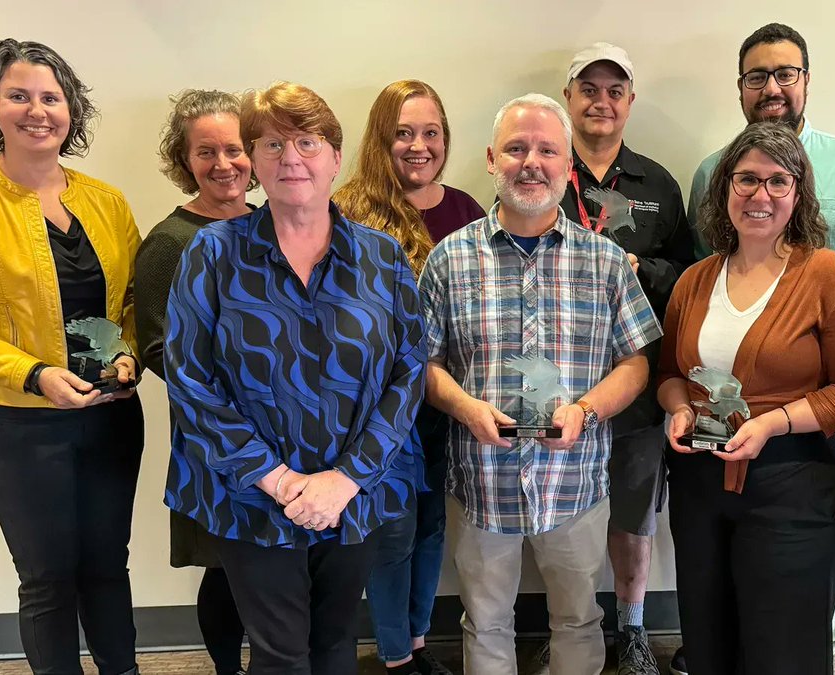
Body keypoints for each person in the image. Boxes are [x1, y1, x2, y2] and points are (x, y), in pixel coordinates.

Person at [163, 81, 427, 675]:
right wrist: (280, 482)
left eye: (306, 141)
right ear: (254, 161)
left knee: (336, 643)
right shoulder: (213, 254)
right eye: (272, 144)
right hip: (251, 494)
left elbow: (408, 371)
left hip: (352, 494)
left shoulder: (382, 259)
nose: (290, 157)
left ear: (335, 157)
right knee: (281, 652)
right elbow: (189, 379)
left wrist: (346, 479)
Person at [419, 93, 662, 675]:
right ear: (490, 159)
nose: (532, 162)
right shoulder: (449, 260)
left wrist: (587, 411)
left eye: (548, 150)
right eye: (516, 148)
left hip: (574, 481)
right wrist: (464, 407)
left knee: (579, 621)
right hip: (481, 481)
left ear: (567, 165)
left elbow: (636, 363)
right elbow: (424, 365)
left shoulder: (604, 261)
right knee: (484, 621)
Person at [0, 39, 143, 675]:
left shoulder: (106, 201)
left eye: (51, 97)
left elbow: (131, 301)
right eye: (18, 95)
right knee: (48, 578)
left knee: (108, 565)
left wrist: (128, 355)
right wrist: (33, 373)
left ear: (71, 109)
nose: (37, 110)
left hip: (109, 415)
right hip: (16, 424)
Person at [658, 121, 835, 675]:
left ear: (799, 193)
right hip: (701, 488)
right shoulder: (694, 280)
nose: (760, 195)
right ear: (724, 189)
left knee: (783, 652)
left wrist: (772, 423)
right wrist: (680, 409)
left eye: (778, 182)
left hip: (792, 488)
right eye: (747, 180)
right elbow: (668, 374)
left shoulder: (826, 274)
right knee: (709, 644)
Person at [539, 42, 694, 675]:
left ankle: (631, 629)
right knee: (558, 517)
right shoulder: (542, 168)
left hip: (635, 382)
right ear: (569, 97)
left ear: (630, 101)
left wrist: (640, 268)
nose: (601, 101)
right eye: (588, 88)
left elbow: (690, 274)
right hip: (553, 383)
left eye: (615, 90)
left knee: (632, 513)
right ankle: (568, 628)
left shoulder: (658, 183)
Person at [334, 79, 484, 675]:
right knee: (391, 536)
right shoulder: (347, 210)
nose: (418, 146)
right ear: (380, 139)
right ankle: (395, 654)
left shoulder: (468, 210)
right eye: (403, 133)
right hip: (377, 410)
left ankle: (419, 643)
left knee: (429, 528)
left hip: (447, 403)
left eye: (431, 133)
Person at [134, 88, 255, 675]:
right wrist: (238, 397)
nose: (224, 163)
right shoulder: (168, 243)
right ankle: (228, 669)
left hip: (290, 429)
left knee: (279, 558)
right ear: (185, 163)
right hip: (215, 433)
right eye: (206, 152)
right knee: (226, 563)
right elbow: (158, 348)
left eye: (234, 148)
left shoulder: (276, 224)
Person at [688, 23, 835, 291]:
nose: (771, 89)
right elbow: (703, 264)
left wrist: (819, 291)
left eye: (785, 74)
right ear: (741, 87)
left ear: (806, 80)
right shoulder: (710, 172)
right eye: (757, 77)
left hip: (829, 327)